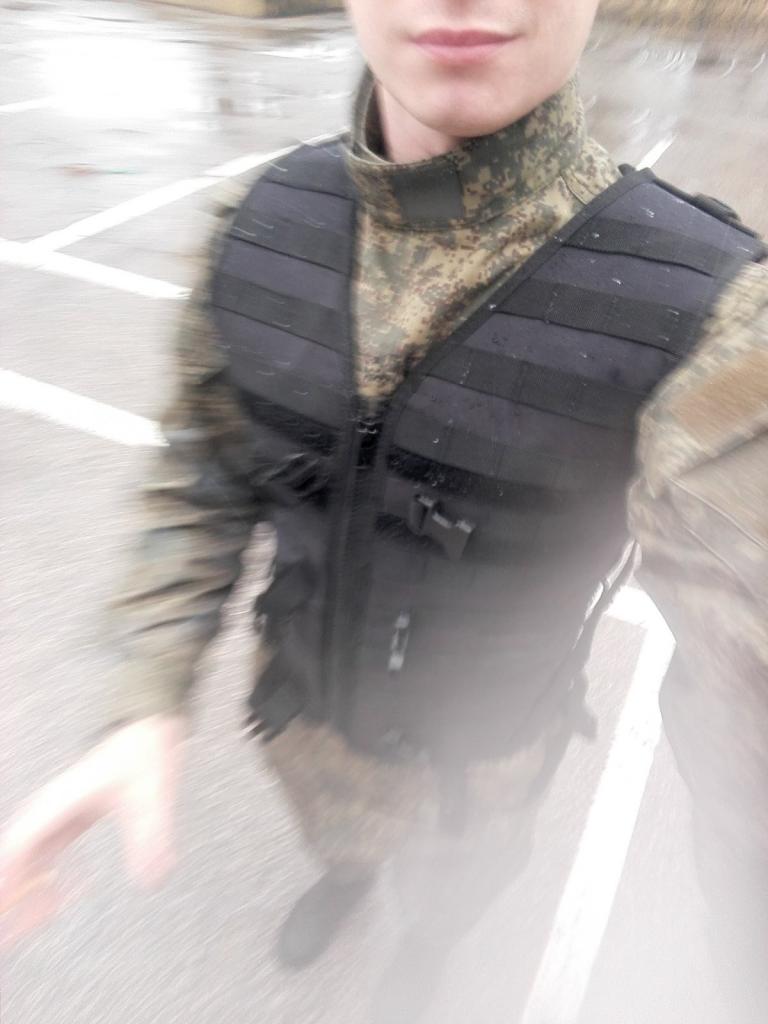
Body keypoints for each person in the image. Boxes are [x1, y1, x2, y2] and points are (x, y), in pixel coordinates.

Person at [1, 1, 766, 1021]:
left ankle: (429, 949)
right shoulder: (258, 221)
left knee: (452, 889)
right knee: (339, 838)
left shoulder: (717, 316)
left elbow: (747, 688)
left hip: (484, 756)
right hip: (304, 714)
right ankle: (346, 877)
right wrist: (146, 689)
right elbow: (204, 471)